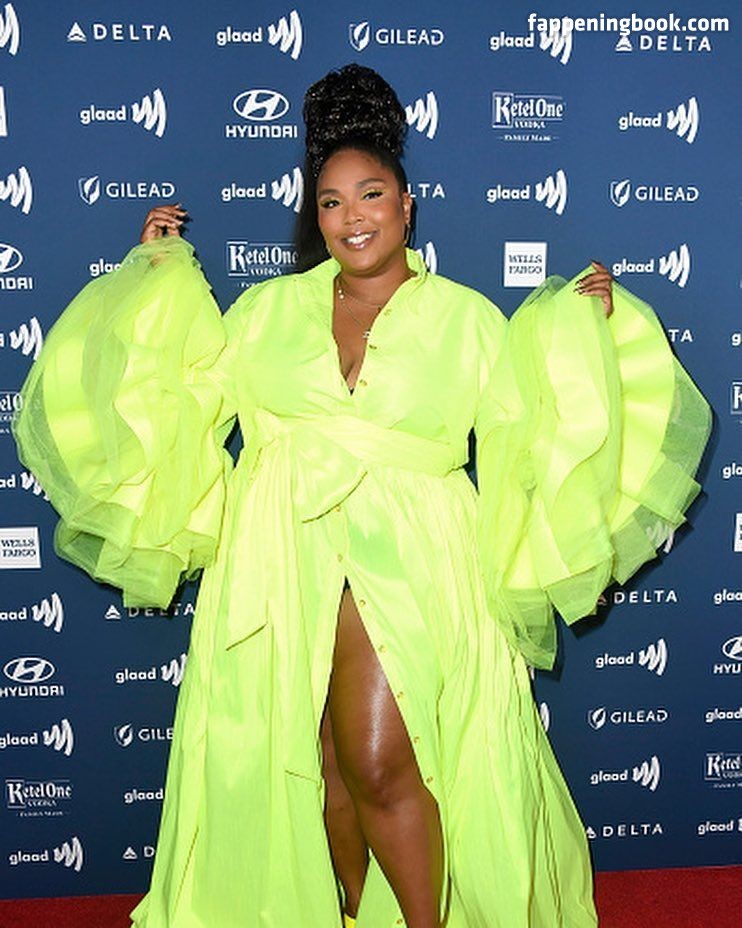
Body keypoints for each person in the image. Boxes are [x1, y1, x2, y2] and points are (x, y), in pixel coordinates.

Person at [13, 65, 710, 928]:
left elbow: (534, 419)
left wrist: (583, 333)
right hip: (279, 555)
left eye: (371, 194)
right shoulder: (266, 311)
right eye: (332, 201)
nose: (353, 217)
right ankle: (348, 915)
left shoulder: (466, 318)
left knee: (382, 763)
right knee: (321, 767)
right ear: (316, 215)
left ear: (407, 205)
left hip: (413, 559)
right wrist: (156, 283)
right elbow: (179, 396)